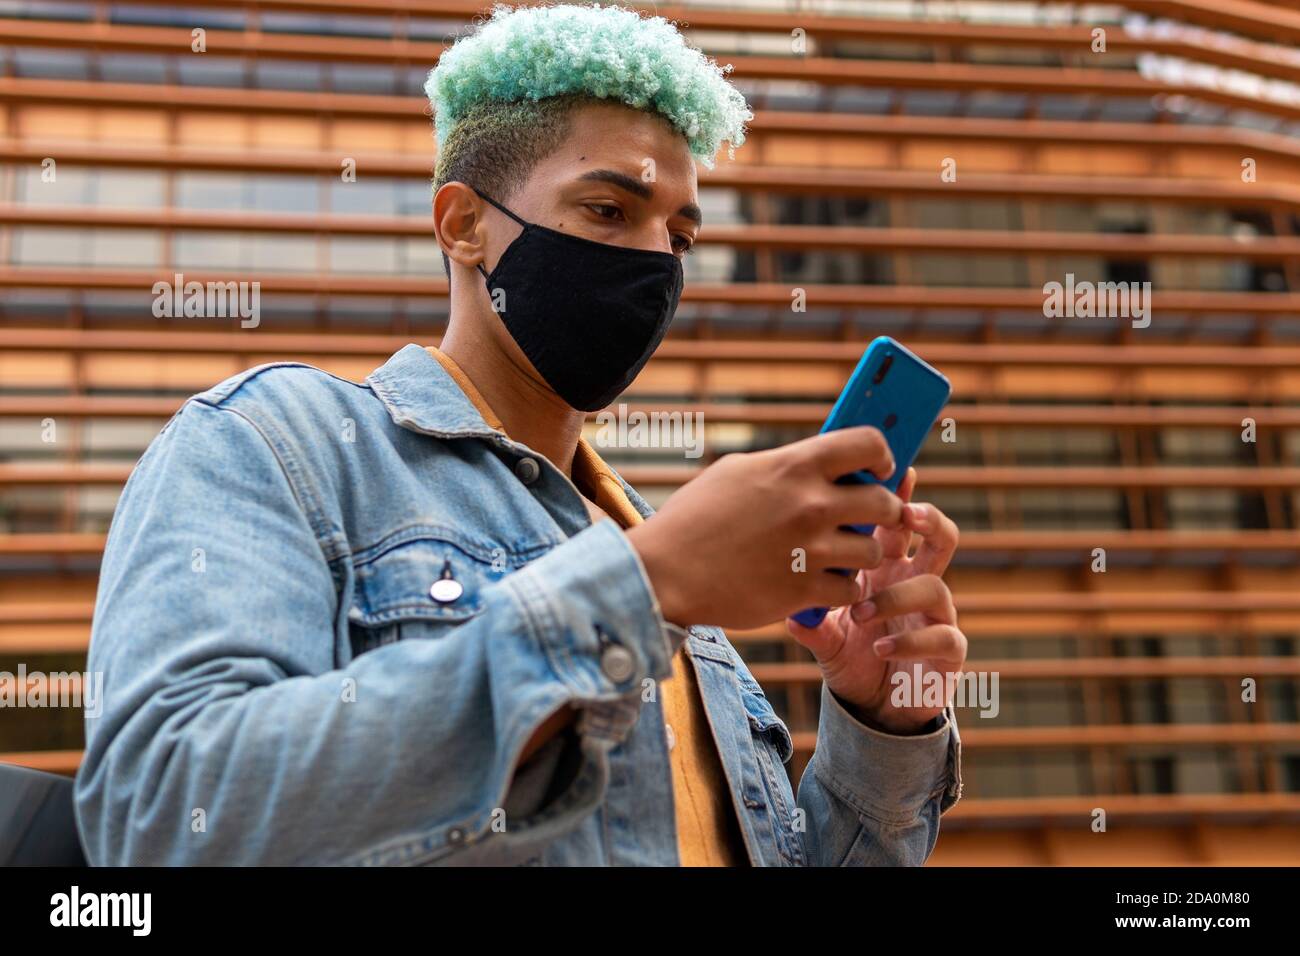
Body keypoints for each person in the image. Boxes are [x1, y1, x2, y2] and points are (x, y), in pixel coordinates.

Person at [76, 3, 964, 866]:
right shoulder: (273, 445)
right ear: (465, 225)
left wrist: (878, 724)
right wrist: (641, 589)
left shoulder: (665, 562)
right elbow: (162, 816)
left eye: (681, 238)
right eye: (610, 212)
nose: (656, 263)